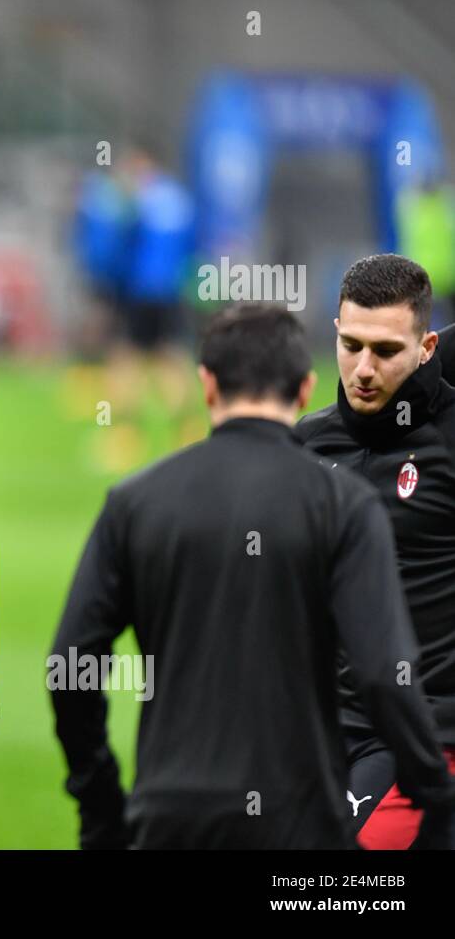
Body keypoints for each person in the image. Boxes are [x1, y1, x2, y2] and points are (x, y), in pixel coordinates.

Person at [53, 303, 455, 848]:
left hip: (164, 810)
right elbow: (384, 674)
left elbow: (71, 664)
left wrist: (99, 801)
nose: (365, 368)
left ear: (206, 384)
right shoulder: (342, 504)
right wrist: (434, 794)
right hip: (296, 809)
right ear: (307, 386)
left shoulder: (135, 501)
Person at [297, 254, 455, 849]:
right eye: (351, 344)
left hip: (430, 731)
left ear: (427, 346)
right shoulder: (310, 444)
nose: (363, 369)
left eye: (386, 351)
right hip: (326, 727)